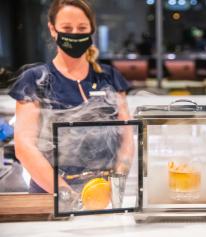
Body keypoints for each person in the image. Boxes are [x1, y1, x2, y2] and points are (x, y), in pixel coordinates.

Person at [9, 0, 133, 194]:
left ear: (91, 29)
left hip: (103, 194)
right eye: (67, 27)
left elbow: (127, 140)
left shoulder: (110, 77)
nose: (74, 33)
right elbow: (24, 147)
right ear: (52, 29)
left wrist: (114, 186)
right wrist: (65, 195)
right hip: (49, 196)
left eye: (82, 27)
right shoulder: (34, 80)